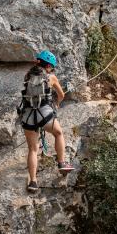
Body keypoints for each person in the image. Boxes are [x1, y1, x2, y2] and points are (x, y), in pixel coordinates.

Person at [19, 50, 74, 193]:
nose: (51, 69)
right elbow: (61, 95)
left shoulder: (27, 76)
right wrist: (56, 104)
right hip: (45, 113)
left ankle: (33, 182)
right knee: (58, 133)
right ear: (48, 66)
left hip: (28, 115)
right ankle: (61, 162)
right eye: (51, 67)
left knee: (32, 149)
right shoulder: (51, 77)